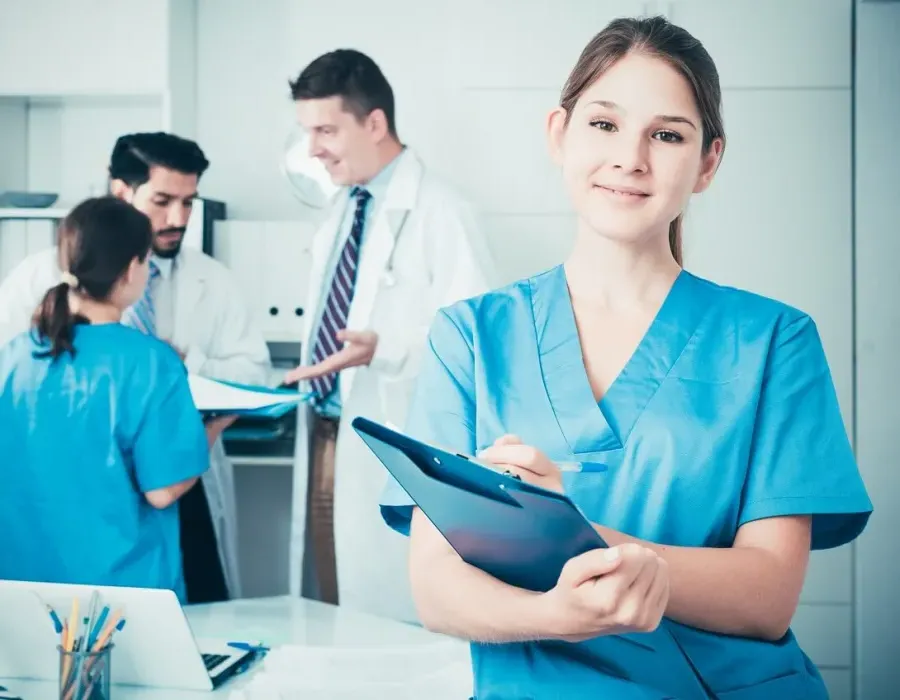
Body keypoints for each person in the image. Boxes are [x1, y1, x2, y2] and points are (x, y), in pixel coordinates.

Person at [379, 16, 873, 699]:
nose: (630, 158)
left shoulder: (773, 341)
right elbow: (436, 589)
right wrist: (556, 611)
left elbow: (767, 597)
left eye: (667, 135)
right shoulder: (470, 337)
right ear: (560, 134)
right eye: (604, 125)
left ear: (707, 163)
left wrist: (566, 537)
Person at [0, 133, 271, 604]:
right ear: (122, 191)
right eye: (163, 201)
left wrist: (196, 366)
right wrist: (206, 428)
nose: (178, 219)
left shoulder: (21, 352)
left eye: (189, 203)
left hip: (41, 543)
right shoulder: (147, 361)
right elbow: (164, 487)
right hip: (131, 532)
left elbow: (252, 369)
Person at [282, 48, 497, 621]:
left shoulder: (443, 211)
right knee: (332, 598)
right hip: (330, 434)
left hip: (395, 440)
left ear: (374, 123)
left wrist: (389, 348)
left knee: (390, 616)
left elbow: (475, 348)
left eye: (325, 130)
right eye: (307, 132)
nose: (313, 149)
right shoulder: (341, 210)